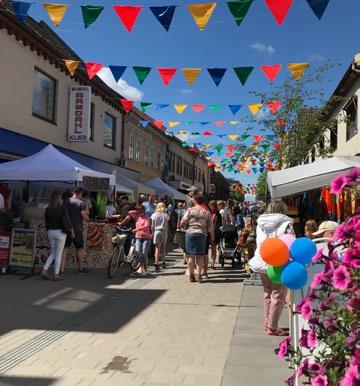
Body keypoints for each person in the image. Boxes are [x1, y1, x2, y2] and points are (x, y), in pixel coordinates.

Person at [249, 199, 294, 336]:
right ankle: (273, 327)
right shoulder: (286, 223)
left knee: (267, 292)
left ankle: (268, 323)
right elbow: (291, 242)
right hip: (278, 261)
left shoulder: (260, 223)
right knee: (278, 294)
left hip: (262, 259)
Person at [181, 196, 214, 283]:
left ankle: (191, 275)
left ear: (195, 202)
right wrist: (212, 237)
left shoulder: (190, 210)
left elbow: (183, 221)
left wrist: (182, 225)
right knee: (200, 255)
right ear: (203, 202)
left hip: (190, 233)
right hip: (201, 233)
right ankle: (199, 275)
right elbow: (211, 227)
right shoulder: (207, 212)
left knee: (191, 255)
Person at [41, 191, 73, 280]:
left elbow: (46, 222)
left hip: (50, 231)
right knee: (58, 254)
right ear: (59, 198)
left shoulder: (48, 208)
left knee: (53, 252)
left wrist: (49, 230)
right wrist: (71, 230)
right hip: (60, 232)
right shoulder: (62, 207)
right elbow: (67, 220)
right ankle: (56, 274)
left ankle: (44, 270)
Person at [61, 187, 91, 275]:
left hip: (66, 229)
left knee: (65, 248)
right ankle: (81, 268)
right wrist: (88, 219)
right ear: (81, 193)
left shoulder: (65, 202)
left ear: (73, 192)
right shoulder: (81, 203)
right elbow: (84, 216)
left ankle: (61, 269)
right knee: (79, 248)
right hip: (77, 229)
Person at [150, 202, 169, 271]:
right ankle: (163, 262)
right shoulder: (166, 215)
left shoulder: (154, 215)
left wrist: (152, 233)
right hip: (164, 231)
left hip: (157, 231)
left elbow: (152, 226)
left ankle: (156, 262)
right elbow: (167, 225)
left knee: (157, 248)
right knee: (163, 247)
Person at [133, 205, 152, 276]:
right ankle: (141, 267)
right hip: (138, 237)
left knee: (144, 253)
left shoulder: (147, 217)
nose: (140, 212)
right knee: (138, 253)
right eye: (139, 211)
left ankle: (146, 269)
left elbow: (146, 225)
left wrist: (137, 229)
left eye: (141, 211)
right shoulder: (137, 217)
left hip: (146, 237)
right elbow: (130, 212)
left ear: (144, 211)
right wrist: (136, 210)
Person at [208, 200, 222, 270]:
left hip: (215, 233)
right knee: (206, 249)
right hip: (208, 233)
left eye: (210, 206)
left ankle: (212, 263)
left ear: (213, 206)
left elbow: (219, 225)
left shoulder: (218, 214)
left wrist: (214, 227)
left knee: (213, 248)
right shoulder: (209, 213)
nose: (209, 207)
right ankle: (206, 262)